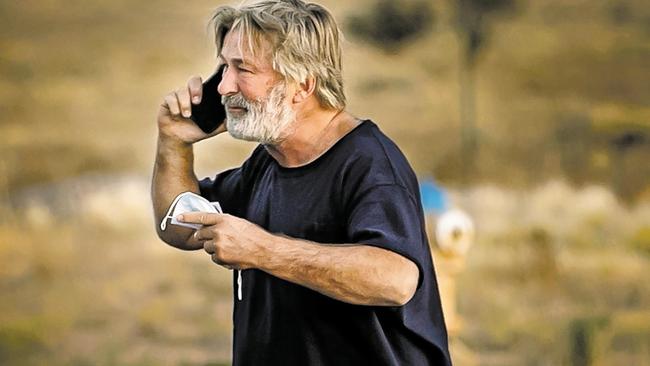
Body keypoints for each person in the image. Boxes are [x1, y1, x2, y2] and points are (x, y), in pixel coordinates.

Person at [152, 0, 451, 364]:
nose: (223, 86)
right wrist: (174, 142)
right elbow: (179, 226)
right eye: (223, 67)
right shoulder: (267, 161)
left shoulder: (370, 164)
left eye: (242, 69)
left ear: (302, 85)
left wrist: (262, 250)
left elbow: (395, 279)